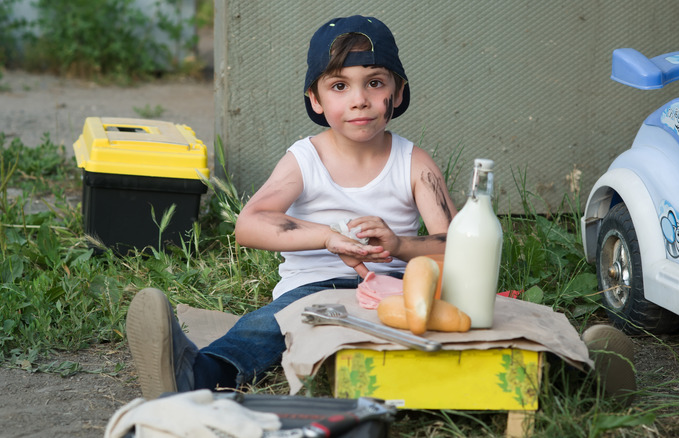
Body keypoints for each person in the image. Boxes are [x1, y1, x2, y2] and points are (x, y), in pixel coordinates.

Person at [127, 15, 458, 399]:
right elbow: (249, 225)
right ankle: (200, 371)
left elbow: (454, 245)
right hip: (315, 289)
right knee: (265, 329)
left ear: (398, 93)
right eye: (339, 86)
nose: (359, 99)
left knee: (430, 324)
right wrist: (327, 238)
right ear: (315, 100)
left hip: (395, 288)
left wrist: (398, 246)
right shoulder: (306, 159)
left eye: (375, 82)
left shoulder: (414, 162)